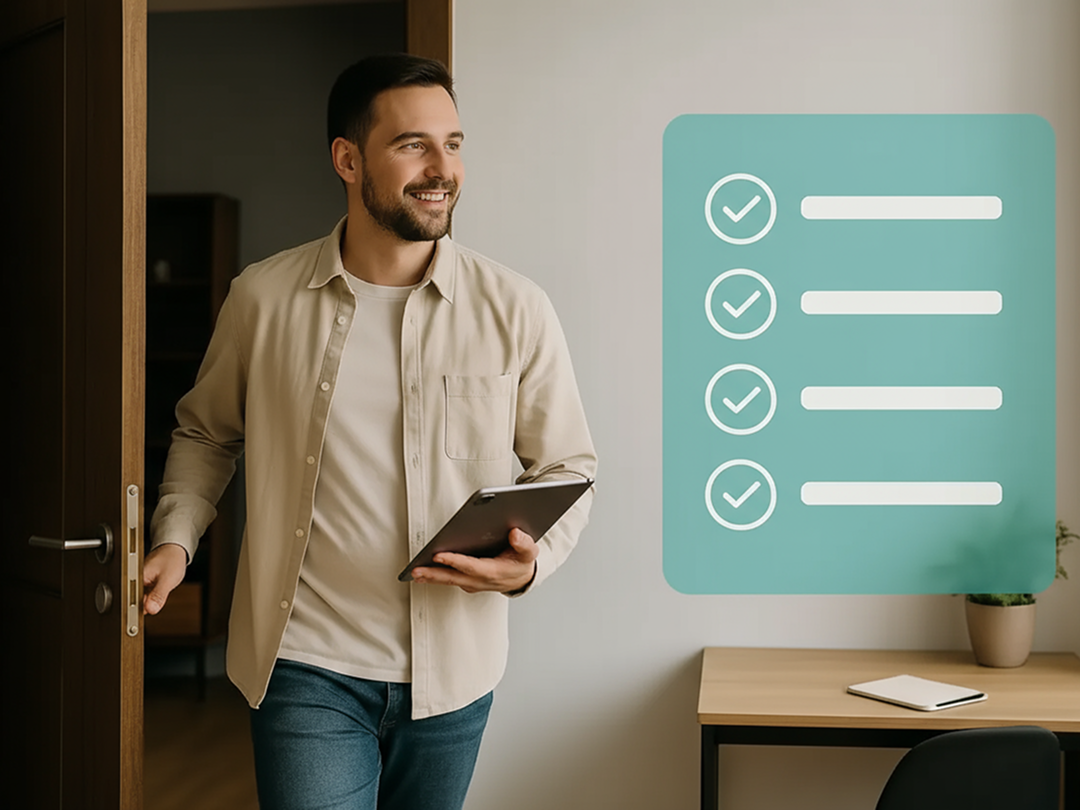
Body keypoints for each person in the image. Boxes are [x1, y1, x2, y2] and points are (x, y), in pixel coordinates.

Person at [141, 54, 596, 810]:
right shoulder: (262, 298)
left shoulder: (517, 308)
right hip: (303, 667)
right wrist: (175, 537)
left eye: (453, 144)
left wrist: (531, 563)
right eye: (413, 145)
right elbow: (207, 433)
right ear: (348, 160)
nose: (441, 168)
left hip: (454, 672)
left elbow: (567, 465)